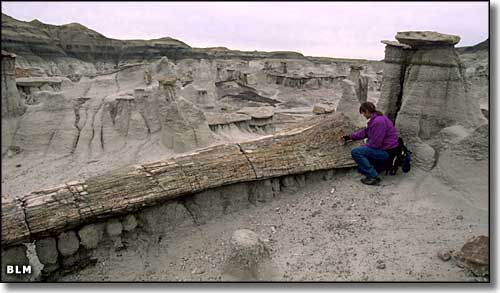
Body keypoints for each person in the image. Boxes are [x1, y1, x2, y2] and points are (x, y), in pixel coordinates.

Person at [342, 102, 399, 185]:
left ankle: (373, 177)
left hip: (388, 152)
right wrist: (350, 137)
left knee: (356, 152)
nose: (364, 116)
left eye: (363, 113)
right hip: (386, 149)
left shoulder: (378, 122)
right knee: (361, 168)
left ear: (368, 111)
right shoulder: (376, 119)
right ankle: (378, 168)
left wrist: (363, 147)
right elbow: (365, 132)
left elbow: (375, 144)